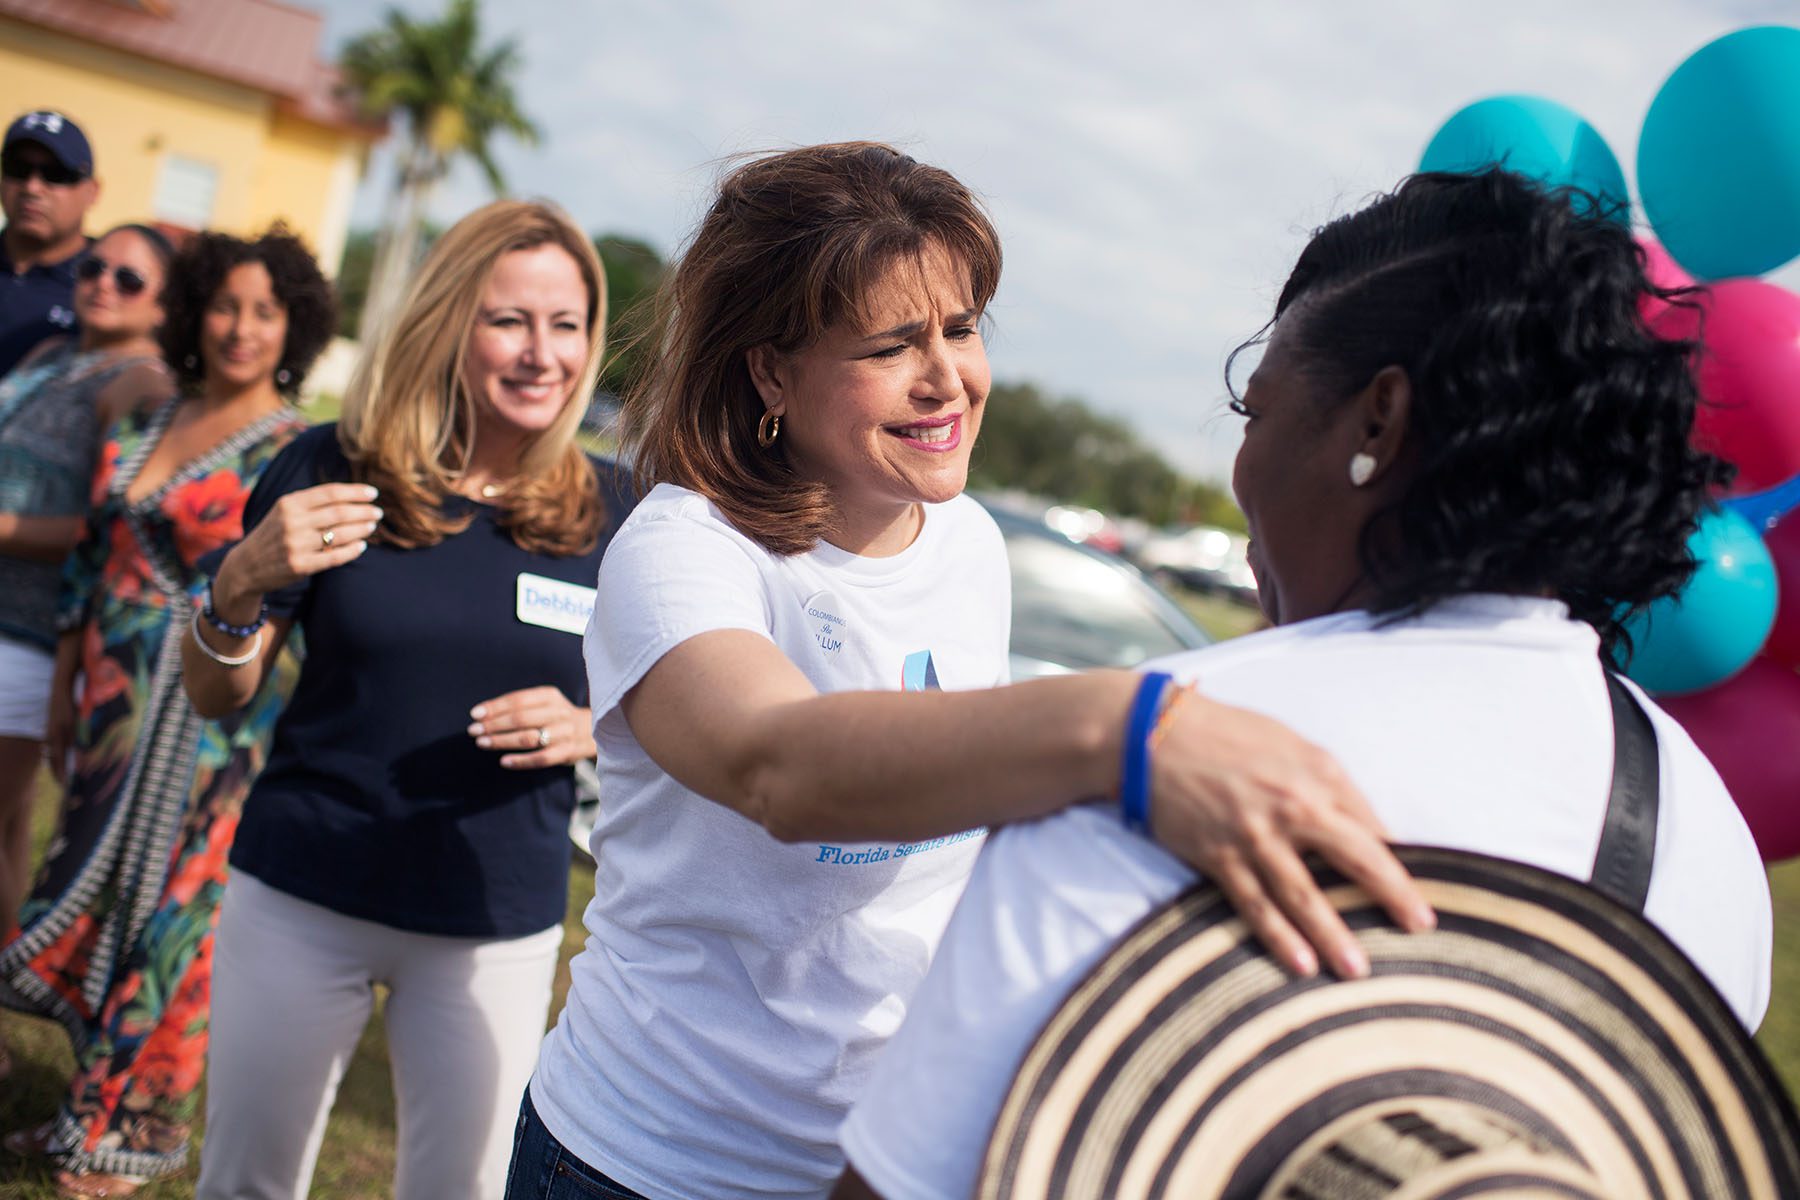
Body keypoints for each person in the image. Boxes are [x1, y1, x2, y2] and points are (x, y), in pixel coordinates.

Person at [508, 141, 1431, 1200]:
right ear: (770, 370)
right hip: (648, 1164)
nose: (947, 377)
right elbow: (775, 768)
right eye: (893, 345)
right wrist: (1131, 731)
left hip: (885, 1165)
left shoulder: (971, 547)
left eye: (960, 328)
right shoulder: (683, 551)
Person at [832, 168, 1774, 1200]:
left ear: (1376, 424)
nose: (1240, 472)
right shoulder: (1703, 828)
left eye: (1257, 410)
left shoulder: (1154, 762)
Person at [184, 199, 631, 1200]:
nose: (540, 353)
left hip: (493, 922)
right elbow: (217, 694)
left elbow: (681, 708)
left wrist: (595, 728)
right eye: (509, 320)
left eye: (566, 326)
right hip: (303, 894)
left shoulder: (620, 512)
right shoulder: (333, 468)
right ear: (448, 322)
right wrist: (238, 582)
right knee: (243, 1185)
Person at [0, 227, 332, 1197]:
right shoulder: (148, 412)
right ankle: (83, 1109)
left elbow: (289, 604)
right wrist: (67, 676)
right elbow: (95, 553)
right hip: (107, 690)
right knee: (101, 896)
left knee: (172, 910)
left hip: (207, 705)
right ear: (194, 312)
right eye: (226, 305)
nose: (241, 328)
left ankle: (132, 1133)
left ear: (295, 327)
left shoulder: (296, 449)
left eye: (266, 312)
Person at [0, 224, 175, 952]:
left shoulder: (143, 384)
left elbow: (114, 522)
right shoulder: (54, 353)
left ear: (164, 304)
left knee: (5, 821)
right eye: (95, 267)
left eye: (128, 279)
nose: (102, 283)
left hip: (34, 629)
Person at [0, 111, 99, 377]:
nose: (32, 188)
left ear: (92, 191)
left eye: (55, 174)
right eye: (17, 168)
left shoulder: (106, 287)